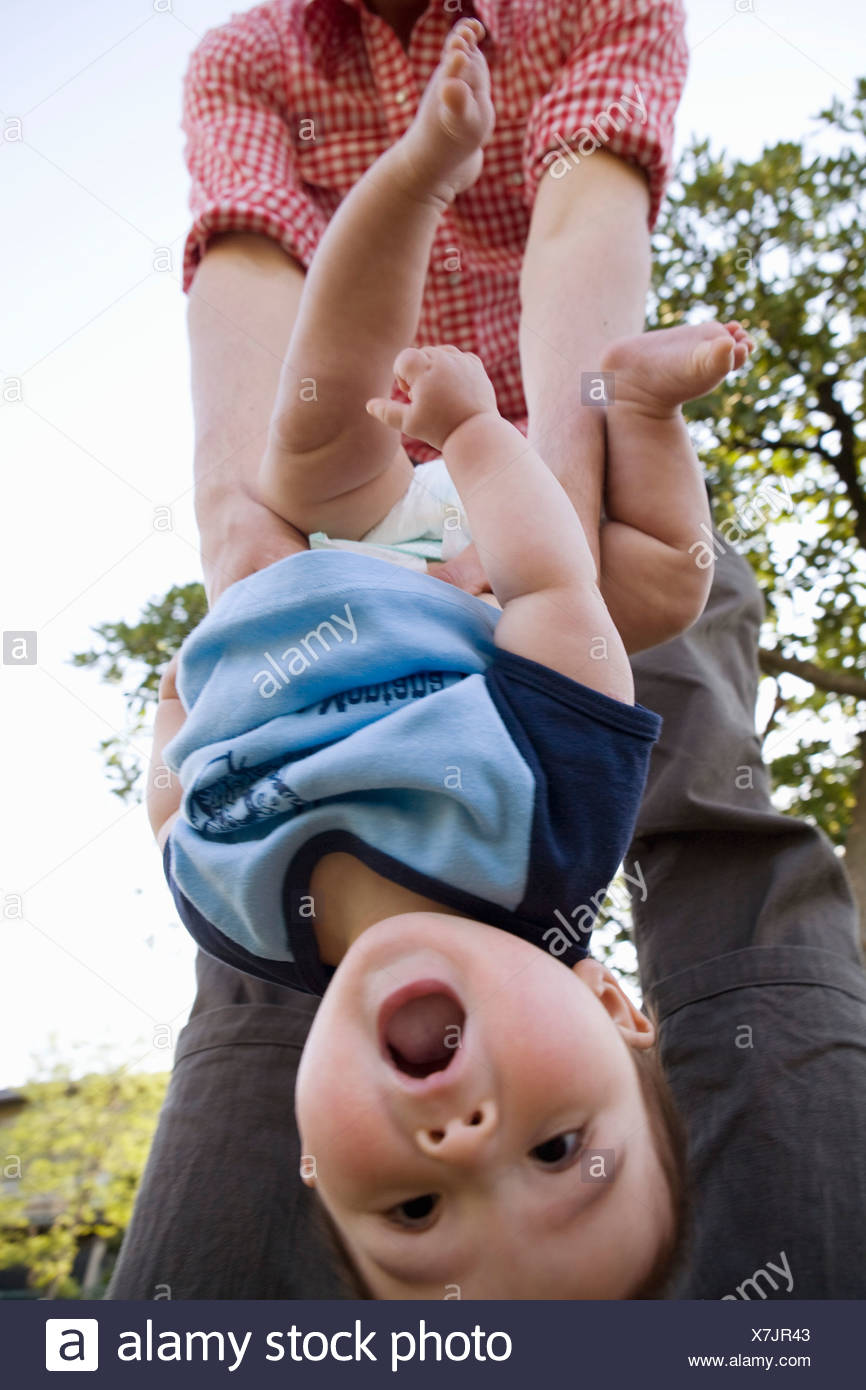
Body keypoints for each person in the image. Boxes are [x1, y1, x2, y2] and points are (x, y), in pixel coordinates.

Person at [144, 21, 755, 1298]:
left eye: (414, 1208)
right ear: (611, 1008)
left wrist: (176, 717)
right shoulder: (548, 834)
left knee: (310, 438)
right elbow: (553, 587)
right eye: (559, 1148)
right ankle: (620, 388)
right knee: (658, 581)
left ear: (313, 1159)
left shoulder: (248, 923)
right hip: (468, 538)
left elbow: (177, 816)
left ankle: (416, 184)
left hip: (312, 549)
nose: (465, 1140)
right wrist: (480, 441)